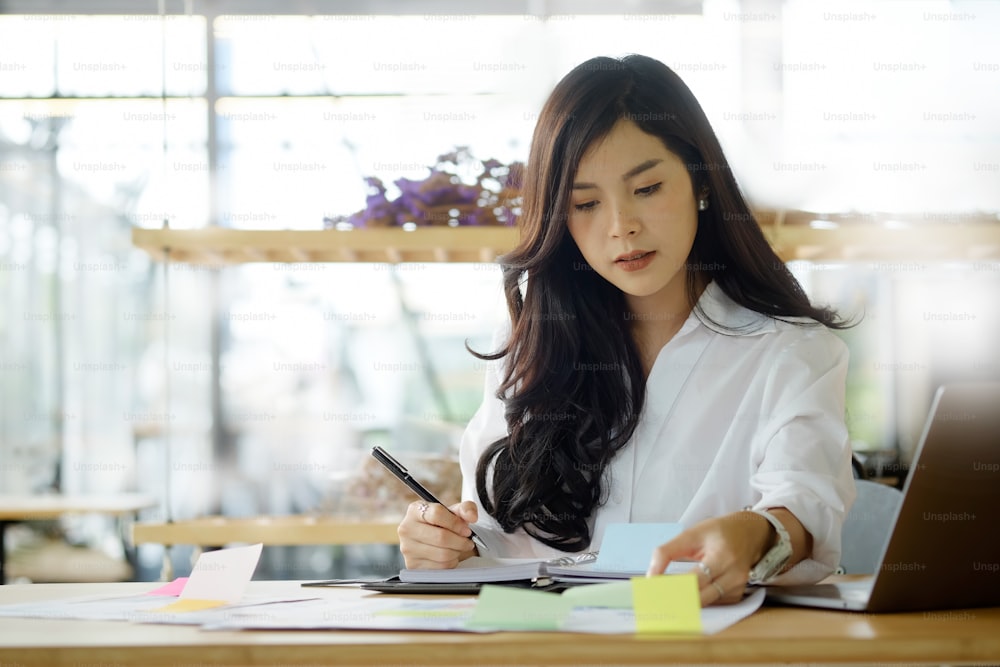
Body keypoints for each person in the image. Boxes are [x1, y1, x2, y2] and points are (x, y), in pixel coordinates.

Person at [396, 53, 857, 606]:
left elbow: (806, 505)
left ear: (700, 183)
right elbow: (495, 544)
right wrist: (443, 547)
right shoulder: (528, 348)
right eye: (586, 203)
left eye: (647, 189)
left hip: (699, 644)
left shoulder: (791, 353)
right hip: (542, 643)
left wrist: (755, 533)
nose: (622, 227)